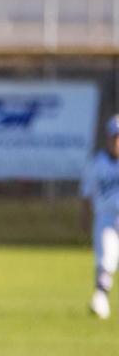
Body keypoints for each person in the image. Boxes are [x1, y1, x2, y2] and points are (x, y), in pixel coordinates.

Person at [81, 116, 119, 320]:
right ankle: (100, 299)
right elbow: (87, 194)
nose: (117, 141)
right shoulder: (97, 164)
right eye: (115, 137)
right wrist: (85, 218)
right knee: (106, 258)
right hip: (106, 218)